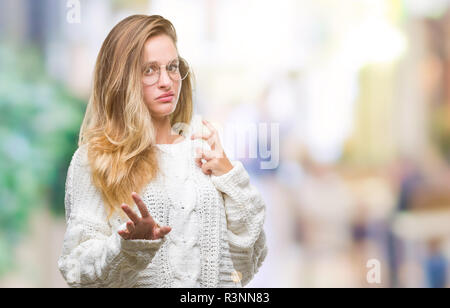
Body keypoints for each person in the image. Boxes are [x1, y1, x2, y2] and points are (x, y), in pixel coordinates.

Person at [57, 14, 267, 288]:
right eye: (149, 70)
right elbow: (76, 269)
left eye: (172, 67)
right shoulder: (94, 160)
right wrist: (128, 247)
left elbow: (247, 264)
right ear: (122, 79)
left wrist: (231, 177)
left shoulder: (205, 154)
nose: (167, 81)